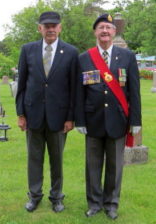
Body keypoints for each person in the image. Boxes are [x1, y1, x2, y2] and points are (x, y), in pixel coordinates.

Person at [75, 14, 142, 220]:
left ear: (114, 32)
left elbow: (134, 90)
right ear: (95, 32)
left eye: (108, 28)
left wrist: (135, 121)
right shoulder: (84, 58)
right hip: (93, 120)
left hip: (118, 120)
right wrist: (80, 120)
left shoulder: (127, 56)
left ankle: (111, 204)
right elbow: (79, 92)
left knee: (115, 166)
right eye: (101, 27)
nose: (105, 31)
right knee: (93, 166)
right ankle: (94, 204)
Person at [15, 11, 78, 213]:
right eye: (46, 25)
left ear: (60, 27)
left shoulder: (70, 52)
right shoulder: (27, 50)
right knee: (34, 159)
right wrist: (21, 114)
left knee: (57, 160)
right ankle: (34, 196)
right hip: (33, 115)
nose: (50, 29)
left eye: (54, 25)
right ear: (39, 28)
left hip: (59, 118)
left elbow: (73, 88)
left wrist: (70, 117)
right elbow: (22, 84)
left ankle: (56, 197)